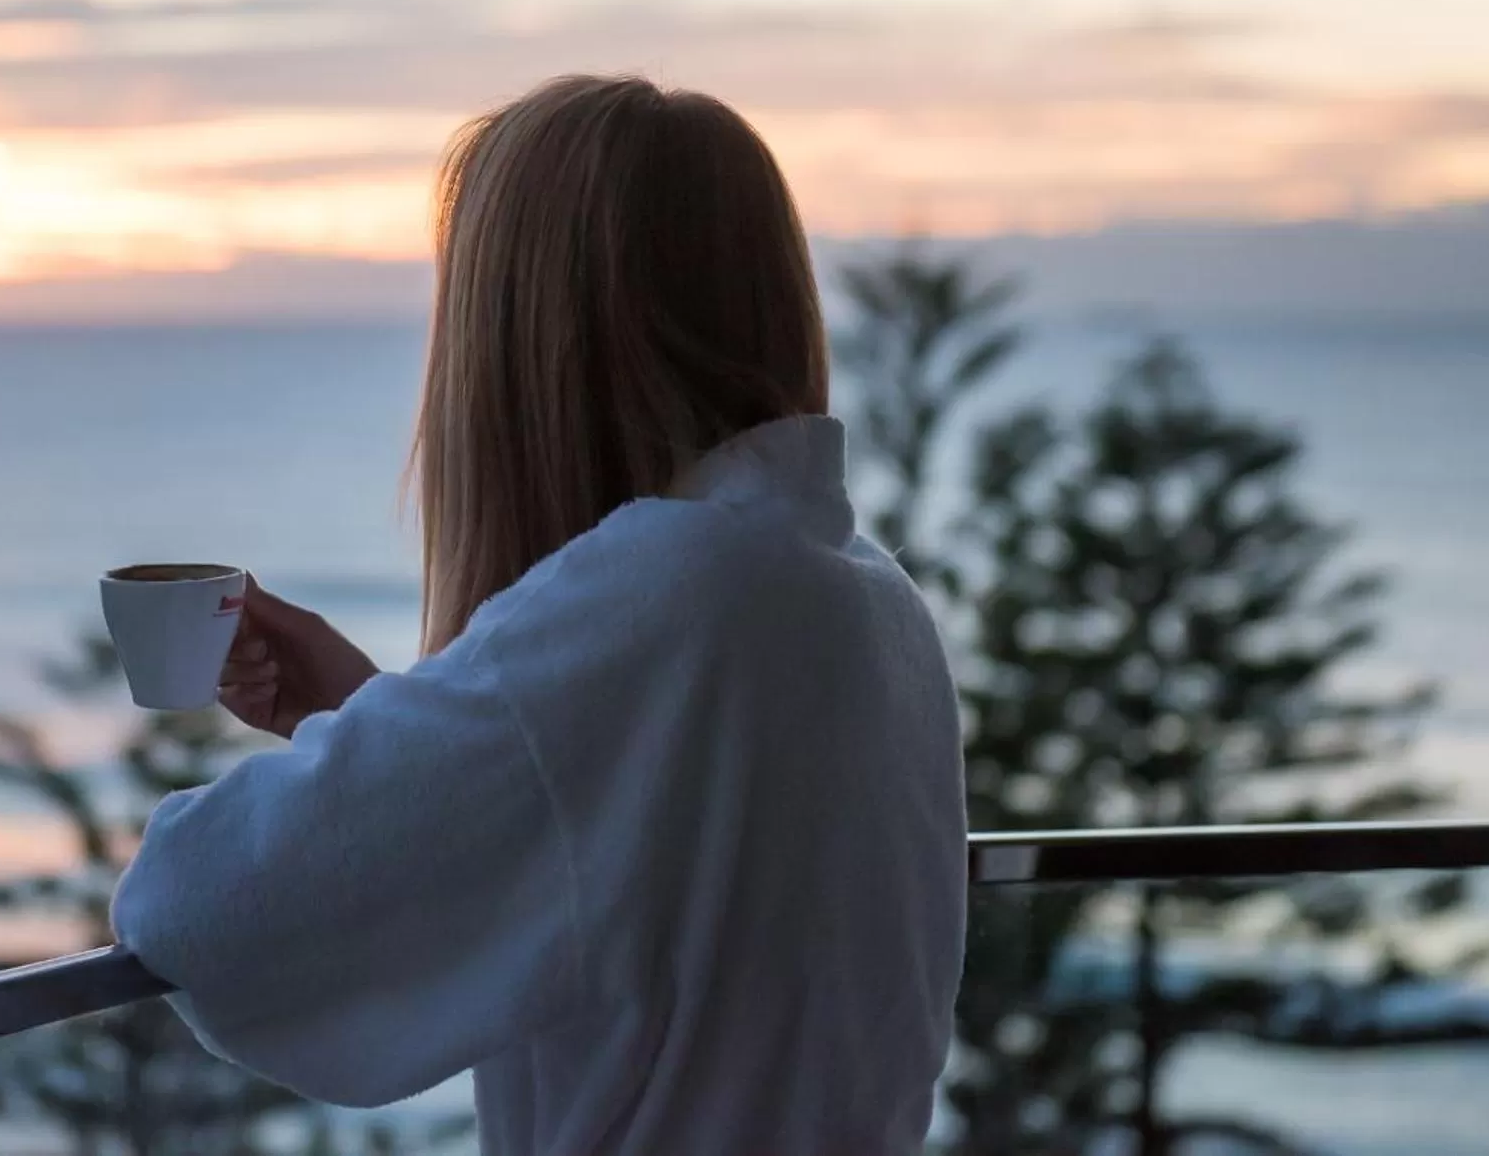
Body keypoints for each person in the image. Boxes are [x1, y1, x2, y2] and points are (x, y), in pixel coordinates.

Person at [111, 74, 967, 1155]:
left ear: (519, 345)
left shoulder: (663, 596)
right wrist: (372, 713)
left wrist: (383, 745)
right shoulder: (858, 592)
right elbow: (635, 852)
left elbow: (199, 904)